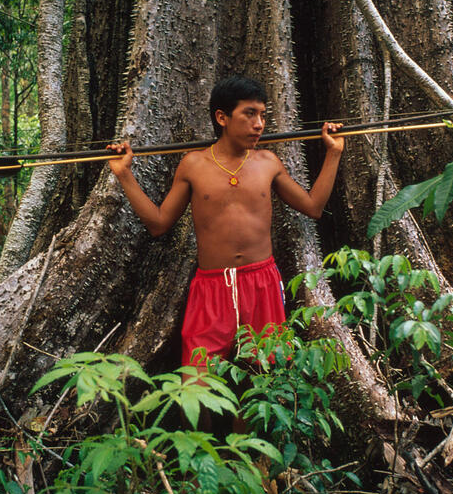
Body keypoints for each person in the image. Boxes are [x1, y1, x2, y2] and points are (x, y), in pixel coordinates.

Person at [107, 76, 344, 369]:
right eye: (249, 114)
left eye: (263, 115)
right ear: (222, 117)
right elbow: (159, 223)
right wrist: (125, 176)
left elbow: (313, 207)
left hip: (261, 283)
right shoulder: (193, 164)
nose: (259, 124)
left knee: (264, 372)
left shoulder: (267, 161)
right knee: (198, 375)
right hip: (211, 287)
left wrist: (333, 154)